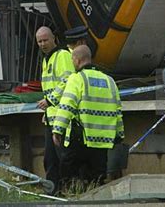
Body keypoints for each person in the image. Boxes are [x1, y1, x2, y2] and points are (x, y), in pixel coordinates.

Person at [52, 45, 124, 185]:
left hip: (81, 138)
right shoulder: (110, 81)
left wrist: (58, 130)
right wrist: (119, 134)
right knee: (97, 181)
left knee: (69, 177)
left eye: (73, 60)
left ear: (77, 60)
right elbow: (118, 112)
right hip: (103, 141)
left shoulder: (77, 78)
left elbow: (66, 106)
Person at [36, 26, 74, 193]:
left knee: (63, 158)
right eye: (39, 41)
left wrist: (50, 101)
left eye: (45, 40)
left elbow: (68, 81)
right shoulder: (46, 59)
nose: (43, 44)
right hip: (51, 117)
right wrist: (47, 112)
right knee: (50, 160)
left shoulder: (63, 55)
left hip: (63, 118)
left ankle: (69, 192)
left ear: (53, 39)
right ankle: (53, 193)